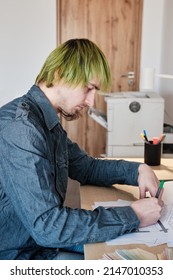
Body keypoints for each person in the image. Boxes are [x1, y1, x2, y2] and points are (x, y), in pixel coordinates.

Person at [0, 38, 163, 260]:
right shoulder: (22, 129)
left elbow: (85, 168)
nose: (91, 101)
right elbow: (48, 227)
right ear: (58, 73)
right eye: (88, 88)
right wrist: (133, 215)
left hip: (41, 243)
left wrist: (137, 170)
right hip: (20, 254)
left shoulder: (45, 122)